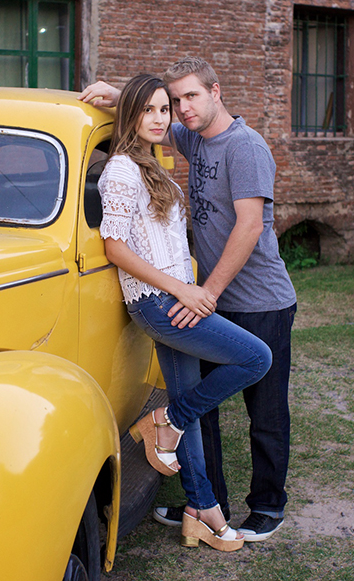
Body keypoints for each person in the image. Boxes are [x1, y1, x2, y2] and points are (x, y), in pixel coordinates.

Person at [80, 57, 297, 542]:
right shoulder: (188, 136)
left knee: (264, 407)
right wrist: (120, 95)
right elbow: (146, 122)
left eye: (188, 98)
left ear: (215, 92)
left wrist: (205, 291)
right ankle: (204, 502)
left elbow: (250, 225)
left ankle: (266, 506)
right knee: (207, 407)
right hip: (197, 296)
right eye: (171, 102)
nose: (177, 111)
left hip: (256, 296)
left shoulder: (245, 147)